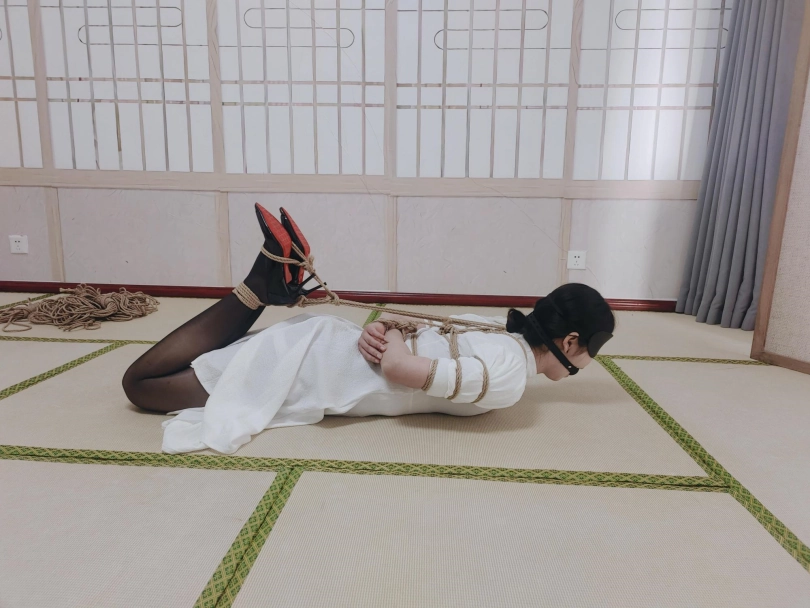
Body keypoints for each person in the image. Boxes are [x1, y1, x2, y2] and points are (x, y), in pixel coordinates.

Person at [122, 204, 616, 454]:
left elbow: (402, 328)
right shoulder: (508, 376)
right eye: (591, 352)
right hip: (315, 373)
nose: (587, 363)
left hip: (324, 348)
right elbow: (399, 368)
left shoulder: (498, 332)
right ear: (571, 342)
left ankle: (266, 282)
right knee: (140, 385)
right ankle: (260, 281)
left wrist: (383, 330)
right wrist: (388, 336)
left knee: (176, 373)